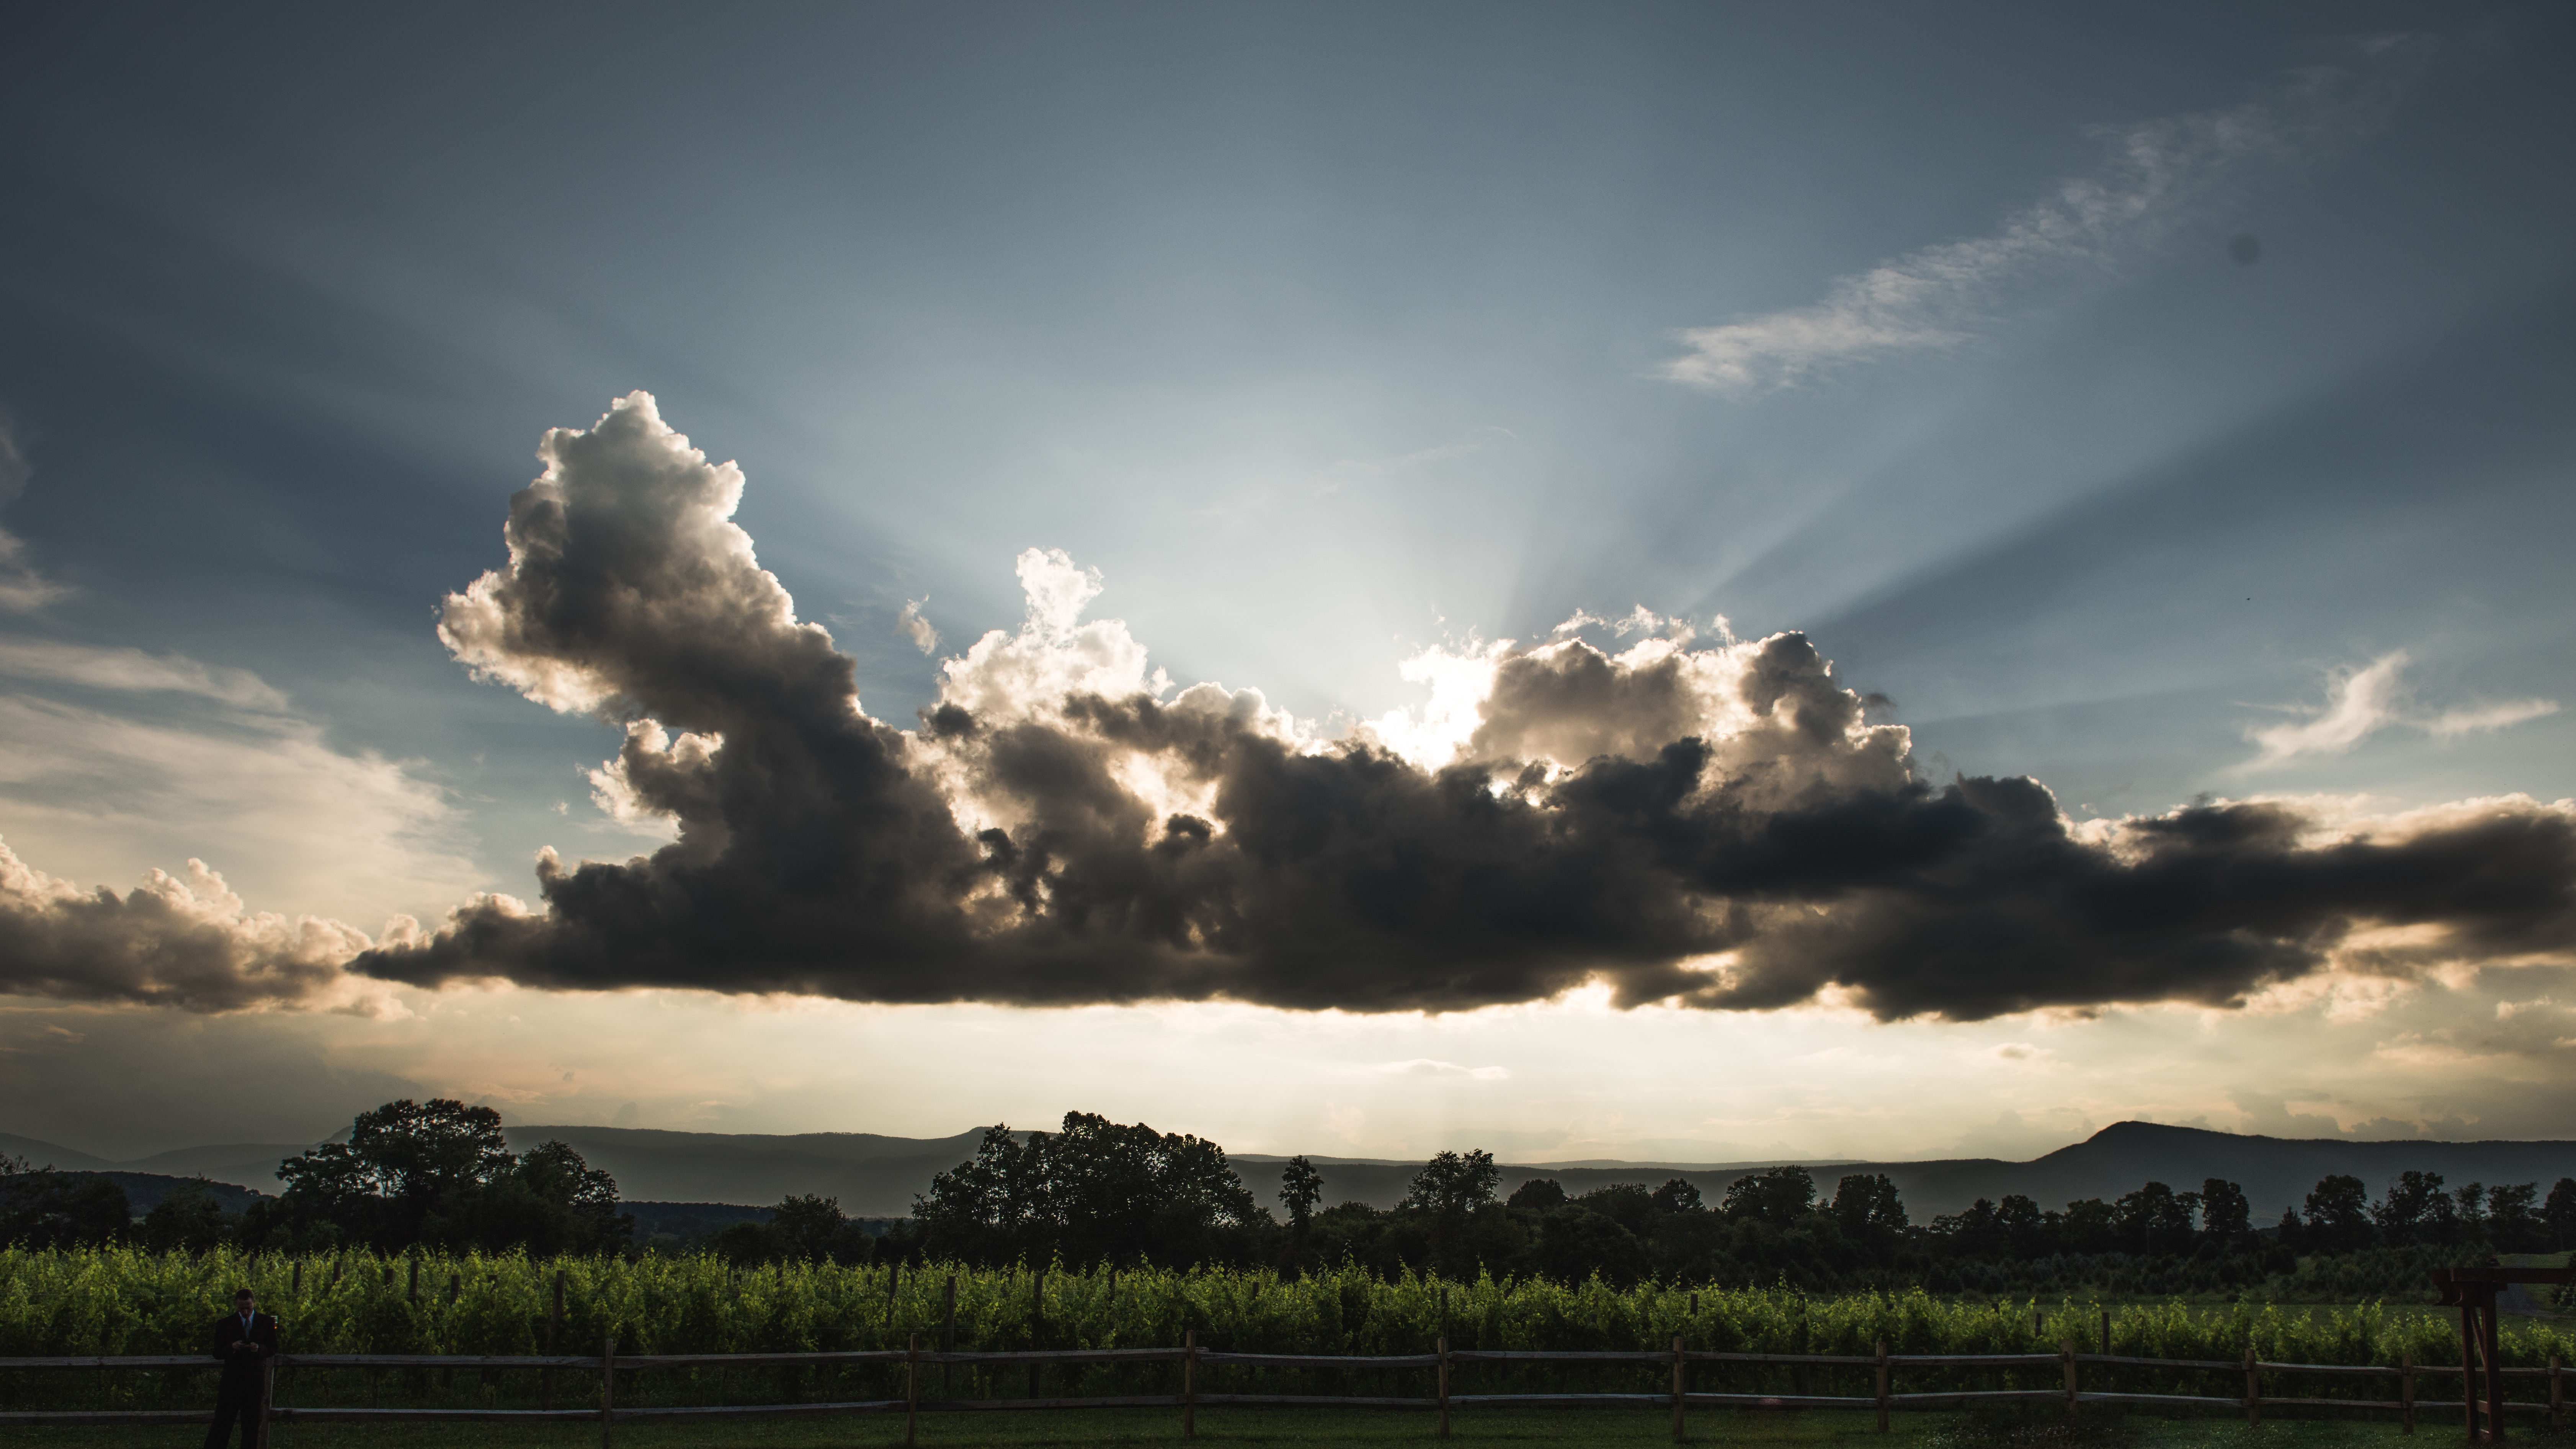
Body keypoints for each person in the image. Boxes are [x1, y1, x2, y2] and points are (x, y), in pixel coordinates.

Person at [204, 1287, 278, 1449]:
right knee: (222, 1424)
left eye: (248, 1309)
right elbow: (217, 1352)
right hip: (231, 1382)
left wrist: (259, 1349)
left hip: (254, 1382)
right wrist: (232, 1347)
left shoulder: (266, 1322)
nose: (245, 1312)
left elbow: (273, 1348)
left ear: (254, 1304)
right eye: (242, 1309)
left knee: (251, 1426)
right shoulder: (225, 1324)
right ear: (236, 1305)